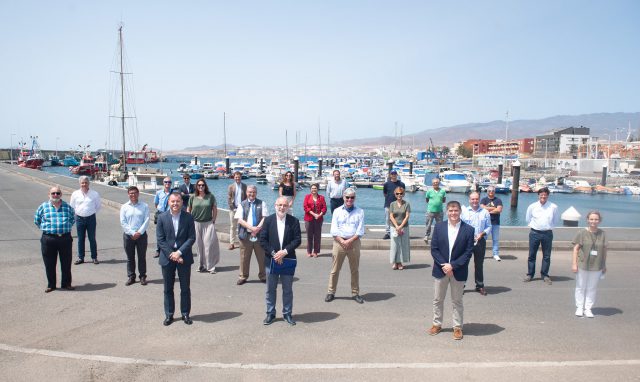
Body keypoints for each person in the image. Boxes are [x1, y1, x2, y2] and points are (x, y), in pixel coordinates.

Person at [428, 201, 474, 340]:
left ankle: (457, 327)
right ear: (447, 212)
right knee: (438, 299)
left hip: (458, 271)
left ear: (460, 211)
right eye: (450, 211)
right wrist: (444, 265)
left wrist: (452, 266)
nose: (453, 213)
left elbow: (468, 253)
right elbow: (434, 249)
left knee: (457, 301)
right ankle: (437, 324)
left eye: (456, 210)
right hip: (440, 270)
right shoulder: (439, 227)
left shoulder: (469, 230)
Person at [259, 197, 302, 326]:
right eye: (279, 205)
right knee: (270, 289)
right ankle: (270, 313)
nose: (282, 208)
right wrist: (274, 253)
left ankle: (287, 313)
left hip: (287, 259)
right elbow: (263, 240)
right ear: (275, 205)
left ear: (288, 207)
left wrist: (285, 252)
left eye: (284, 205)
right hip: (271, 260)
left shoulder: (294, 221)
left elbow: (297, 240)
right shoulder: (268, 221)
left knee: (287, 289)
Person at [157, 192, 196, 326]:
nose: (175, 204)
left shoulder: (188, 217)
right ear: (168, 202)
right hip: (167, 258)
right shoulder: (161, 218)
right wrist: (172, 254)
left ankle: (185, 313)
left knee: (185, 288)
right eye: (172, 201)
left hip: (184, 257)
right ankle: (169, 314)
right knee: (168, 288)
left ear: (181, 202)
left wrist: (179, 253)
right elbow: (160, 240)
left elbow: (191, 238)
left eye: (178, 201)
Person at [325, 188, 365, 304]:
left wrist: (349, 241)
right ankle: (331, 292)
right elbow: (334, 230)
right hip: (339, 243)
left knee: (354, 270)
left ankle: (355, 293)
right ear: (343, 198)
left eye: (352, 197)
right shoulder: (337, 211)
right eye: (347, 197)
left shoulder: (360, 212)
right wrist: (342, 241)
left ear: (354, 198)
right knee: (335, 269)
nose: (349, 199)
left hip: (354, 243)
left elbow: (360, 230)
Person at [34, 186, 75, 293]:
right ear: (49, 194)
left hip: (65, 238)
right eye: (53, 193)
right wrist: (48, 230)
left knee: (66, 262)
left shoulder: (67, 207)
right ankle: (51, 285)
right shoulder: (43, 207)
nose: (55, 195)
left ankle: (66, 283)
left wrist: (64, 228)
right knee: (49, 263)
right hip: (49, 239)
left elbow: (72, 219)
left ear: (61, 194)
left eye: (57, 193)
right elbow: (37, 220)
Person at [572, 211, 607, 318]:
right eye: (591, 219)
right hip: (583, 264)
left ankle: (588, 308)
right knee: (580, 286)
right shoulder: (581, 233)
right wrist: (574, 264)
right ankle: (579, 307)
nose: (593, 221)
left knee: (592, 287)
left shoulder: (603, 234)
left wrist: (604, 265)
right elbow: (575, 249)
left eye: (596, 219)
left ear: (599, 221)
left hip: (597, 265)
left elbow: (605, 250)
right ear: (587, 220)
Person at [524, 187, 559, 284]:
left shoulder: (553, 207)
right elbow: (528, 219)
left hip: (547, 233)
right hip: (534, 233)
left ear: (548, 196)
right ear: (538, 195)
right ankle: (530, 274)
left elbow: (555, 221)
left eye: (545, 195)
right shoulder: (532, 206)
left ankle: (545, 275)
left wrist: (548, 227)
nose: (543, 196)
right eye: (541, 195)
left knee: (546, 256)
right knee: (531, 255)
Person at [235, 185, 267, 285]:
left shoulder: (262, 203)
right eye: (249, 192)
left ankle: (263, 276)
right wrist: (251, 228)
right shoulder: (241, 204)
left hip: (259, 235)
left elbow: (264, 218)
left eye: (253, 192)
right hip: (245, 235)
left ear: (256, 193)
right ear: (246, 193)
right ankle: (243, 276)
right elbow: (240, 220)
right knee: (244, 257)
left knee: (262, 257)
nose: (251, 194)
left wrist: (257, 229)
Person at [461, 192, 492, 296]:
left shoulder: (485, 212)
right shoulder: (464, 212)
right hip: (467, 242)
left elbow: (489, 227)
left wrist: (482, 234)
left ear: (479, 200)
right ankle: (461, 285)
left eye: (476, 199)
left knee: (479, 265)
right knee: (464, 264)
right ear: (469, 200)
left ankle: (479, 285)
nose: (474, 201)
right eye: (472, 199)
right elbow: (460, 226)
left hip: (480, 241)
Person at [187, 179, 220, 274]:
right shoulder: (193, 197)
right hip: (196, 223)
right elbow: (189, 209)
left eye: (202, 185)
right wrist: (189, 221)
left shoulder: (210, 196)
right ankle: (201, 265)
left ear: (205, 186)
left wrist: (213, 220)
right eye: (199, 185)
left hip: (208, 223)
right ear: (196, 186)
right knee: (199, 246)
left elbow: (214, 209)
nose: (201, 187)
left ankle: (210, 266)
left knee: (208, 245)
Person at [120, 186, 150, 286]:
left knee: (142, 257)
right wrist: (132, 233)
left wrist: (139, 232)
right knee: (130, 257)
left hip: (141, 235)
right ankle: (131, 276)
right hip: (129, 236)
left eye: (135, 193)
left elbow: (146, 220)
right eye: (131, 193)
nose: (133, 195)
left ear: (138, 194)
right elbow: (123, 222)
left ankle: (142, 276)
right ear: (128, 194)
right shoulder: (124, 207)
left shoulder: (144, 206)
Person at [69, 176, 101, 265]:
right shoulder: (75, 194)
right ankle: (81, 257)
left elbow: (98, 206)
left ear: (89, 183)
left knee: (92, 238)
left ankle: (94, 257)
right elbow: (72, 206)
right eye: (82, 183)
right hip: (79, 218)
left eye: (86, 183)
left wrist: (90, 212)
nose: (84, 184)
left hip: (91, 218)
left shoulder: (94, 194)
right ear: (80, 184)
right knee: (80, 239)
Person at [389, 186, 410, 270]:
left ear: (403, 194)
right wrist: (397, 227)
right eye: (397, 193)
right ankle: (395, 262)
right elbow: (391, 216)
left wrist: (401, 226)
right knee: (394, 245)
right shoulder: (392, 204)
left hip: (404, 227)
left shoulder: (406, 204)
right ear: (395, 194)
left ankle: (400, 262)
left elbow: (407, 216)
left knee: (402, 245)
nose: (399, 195)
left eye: (401, 193)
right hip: (394, 227)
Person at [303, 183, 327, 258]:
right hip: (309, 219)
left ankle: (316, 251)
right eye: (312, 188)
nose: (314, 190)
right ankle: (309, 251)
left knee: (317, 236)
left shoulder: (321, 198)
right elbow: (305, 207)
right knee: (309, 236)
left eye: (315, 188)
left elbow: (324, 208)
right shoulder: (307, 197)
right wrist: (314, 214)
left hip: (319, 219)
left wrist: (320, 215)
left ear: (317, 189)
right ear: (310, 189)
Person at [480, 186, 503, 261]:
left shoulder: (498, 200)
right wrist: (493, 208)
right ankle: (481, 253)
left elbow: (499, 210)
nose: (491, 192)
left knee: (495, 239)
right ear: (487, 191)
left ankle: (495, 254)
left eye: (492, 191)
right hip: (486, 223)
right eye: (489, 190)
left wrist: (487, 210)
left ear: (494, 191)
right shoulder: (484, 199)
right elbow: (481, 207)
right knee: (483, 239)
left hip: (495, 222)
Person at [227, 171, 247, 250]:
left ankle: (241, 242)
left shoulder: (245, 186)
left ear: (241, 177)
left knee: (242, 226)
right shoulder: (231, 186)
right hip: (233, 209)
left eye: (239, 177)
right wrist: (232, 207)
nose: (237, 178)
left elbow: (246, 197)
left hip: (242, 209)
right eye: (236, 177)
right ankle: (232, 243)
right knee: (233, 226)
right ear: (234, 177)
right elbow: (229, 198)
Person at [382, 170, 405, 240]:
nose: (394, 175)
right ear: (390, 175)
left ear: (397, 175)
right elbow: (384, 194)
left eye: (395, 173)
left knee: (399, 218)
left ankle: (398, 231)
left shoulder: (401, 184)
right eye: (392, 174)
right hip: (388, 204)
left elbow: (403, 193)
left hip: (399, 204)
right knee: (387, 219)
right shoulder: (386, 184)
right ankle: (388, 233)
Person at [424, 177, 446, 243]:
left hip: (439, 211)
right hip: (430, 211)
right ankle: (426, 236)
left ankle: (439, 236)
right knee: (428, 224)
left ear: (439, 183)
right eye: (434, 183)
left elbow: (444, 200)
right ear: (432, 184)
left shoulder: (443, 191)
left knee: (439, 225)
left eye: (436, 182)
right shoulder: (429, 191)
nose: (435, 183)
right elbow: (427, 200)